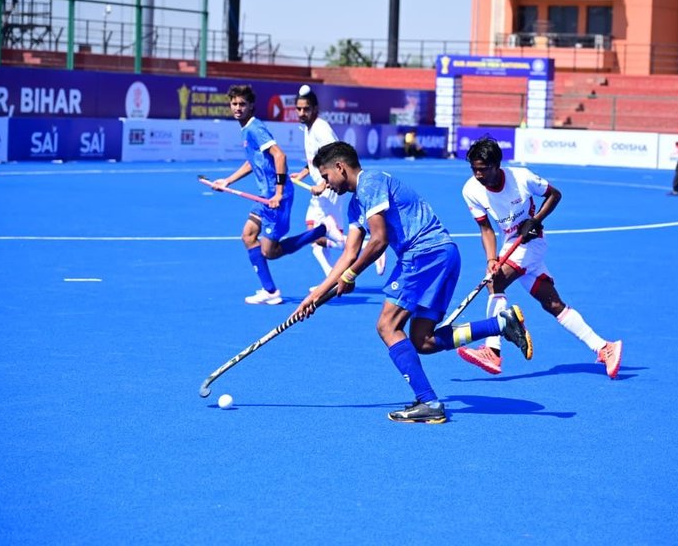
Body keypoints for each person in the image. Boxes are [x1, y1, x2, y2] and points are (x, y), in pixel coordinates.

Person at [293, 141, 533, 424]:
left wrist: (350, 275)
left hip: (423, 255)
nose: (325, 184)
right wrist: (316, 296)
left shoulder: (370, 183)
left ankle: (429, 401)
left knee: (387, 326)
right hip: (443, 255)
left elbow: (379, 241)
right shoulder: (356, 204)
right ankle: (502, 324)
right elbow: (349, 253)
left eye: (325, 176)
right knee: (423, 341)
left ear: (340, 167)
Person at [455, 136, 622, 379]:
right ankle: (605, 347)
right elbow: (486, 229)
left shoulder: (521, 178)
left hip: (531, 242)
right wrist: (491, 259)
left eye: (483, 169)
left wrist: (535, 221)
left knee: (496, 283)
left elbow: (555, 195)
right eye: (474, 169)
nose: (477, 174)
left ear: (497, 165)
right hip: (509, 244)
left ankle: (492, 350)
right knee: (553, 304)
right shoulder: (470, 190)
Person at [212, 84, 340, 304]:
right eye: (234, 104)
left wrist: (279, 192)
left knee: (270, 252)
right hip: (265, 195)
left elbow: (280, 156)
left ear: (251, 105)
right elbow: (253, 162)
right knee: (248, 236)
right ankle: (270, 291)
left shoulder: (254, 128)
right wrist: (227, 181)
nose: (238, 108)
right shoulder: (246, 129)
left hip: (275, 197)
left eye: (242, 104)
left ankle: (322, 229)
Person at [290, 84, 385, 281]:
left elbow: (334, 160)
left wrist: (323, 185)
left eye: (306, 109)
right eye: (298, 109)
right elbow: (316, 161)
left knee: (317, 235)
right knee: (315, 238)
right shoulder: (308, 129)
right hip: (322, 189)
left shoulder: (320, 129)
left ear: (315, 109)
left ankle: (372, 246)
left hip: (329, 189)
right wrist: (301, 174)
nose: (301, 113)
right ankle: (329, 278)